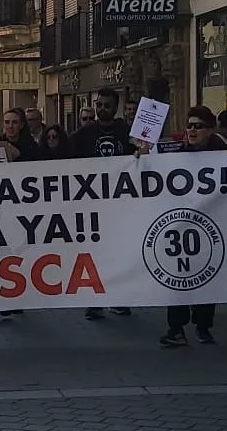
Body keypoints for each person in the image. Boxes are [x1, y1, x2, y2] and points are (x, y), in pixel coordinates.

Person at [160, 106, 227, 347]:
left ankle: (203, 326)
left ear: (210, 130)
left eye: (197, 126)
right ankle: (176, 328)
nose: (191, 130)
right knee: (177, 279)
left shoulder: (224, 156)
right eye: (189, 125)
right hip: (179, 228)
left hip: (210, 228)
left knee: (206, 277)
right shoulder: (177, 153)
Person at [71, 88, 132, 320]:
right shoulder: (82, 135)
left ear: (115, 107)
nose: (102, 109)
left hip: (121, 205)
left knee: (121, 254)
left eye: (107, 105)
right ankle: (94, 301)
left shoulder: (128, 133)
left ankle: (120, 298)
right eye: (99, 105)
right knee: (94, 255)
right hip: (91, 205)